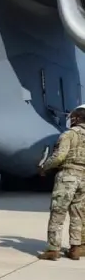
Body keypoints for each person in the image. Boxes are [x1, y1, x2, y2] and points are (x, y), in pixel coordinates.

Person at [38, 107, 85, 261]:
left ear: (76, 119)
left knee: (58, 212)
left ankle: (53, 250)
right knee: (78, 214)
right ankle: (76, 248)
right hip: (83, 178)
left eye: (72, 117)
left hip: (68, 176)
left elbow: (59, 157)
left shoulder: (68, 135)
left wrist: (44, 167)